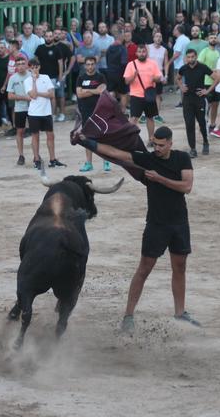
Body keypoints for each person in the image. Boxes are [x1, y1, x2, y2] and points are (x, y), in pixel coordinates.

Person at [78, 126, 198, 335]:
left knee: (180, 267)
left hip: (179, 223)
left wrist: (160, 179)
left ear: (170, 143)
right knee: (144, 269)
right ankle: (128, 315)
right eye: (155, 144)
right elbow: (115, 153)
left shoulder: (182, 158)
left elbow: (186, 187)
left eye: (161, 145)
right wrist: (87, 142)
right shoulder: (147, 159)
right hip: (156, 224)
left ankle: (180, 312)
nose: (157, 148)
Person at [25, 58, 63, 169]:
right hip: (34, 113)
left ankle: (52, 159)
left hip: (46, 112)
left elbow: (51, 94)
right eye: (32, 68)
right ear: (29, 69)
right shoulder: (27, 81)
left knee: (50, 136)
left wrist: (39, 93)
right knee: (35, 136)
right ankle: (36, 159)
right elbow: (33, 95)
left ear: (39, 67)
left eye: (36, 67)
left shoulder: (46, 77)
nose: (34, 70)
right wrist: (34, 80)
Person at [75, 56, 109, 172]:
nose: (90, 66)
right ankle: (89, 163)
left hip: (99, 111)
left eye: (92, 64)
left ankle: (106, 162)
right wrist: (94, 91)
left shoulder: (101, 77)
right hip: (85, 112)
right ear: (85, 66)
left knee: (102, 137)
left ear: (95, 65)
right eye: (88, 64)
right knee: (86, 137)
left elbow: (102, 91)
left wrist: (86, 90)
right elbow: (79, 94)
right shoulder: (80, 78)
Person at [176, 49, 212, 157]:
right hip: (187, 100)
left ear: (196, 56)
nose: (191, 59)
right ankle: (193, 149)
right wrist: (181, 86)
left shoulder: (202, 67)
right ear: (186, 58)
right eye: (189, 57)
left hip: (199, 99)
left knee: (202, 123)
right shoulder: (184, 68)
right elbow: (177, 78)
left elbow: (216, 78)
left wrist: (207, 90)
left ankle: (205, 142)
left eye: (192, 57)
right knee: (189, 124)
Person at [124, 44, 163, 141]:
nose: (142, 54)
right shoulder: (131, 64)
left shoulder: (153, 63)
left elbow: (159, 77)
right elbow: (126, 81)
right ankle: (131, 139)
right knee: (133, 119)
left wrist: (155, 78)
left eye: (144, 51)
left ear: (147, 53)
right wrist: (134, 76)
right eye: (140, 52)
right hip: (136, 95)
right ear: (136, 53)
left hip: (149, 95)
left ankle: (151, 139)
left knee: (150, 118)